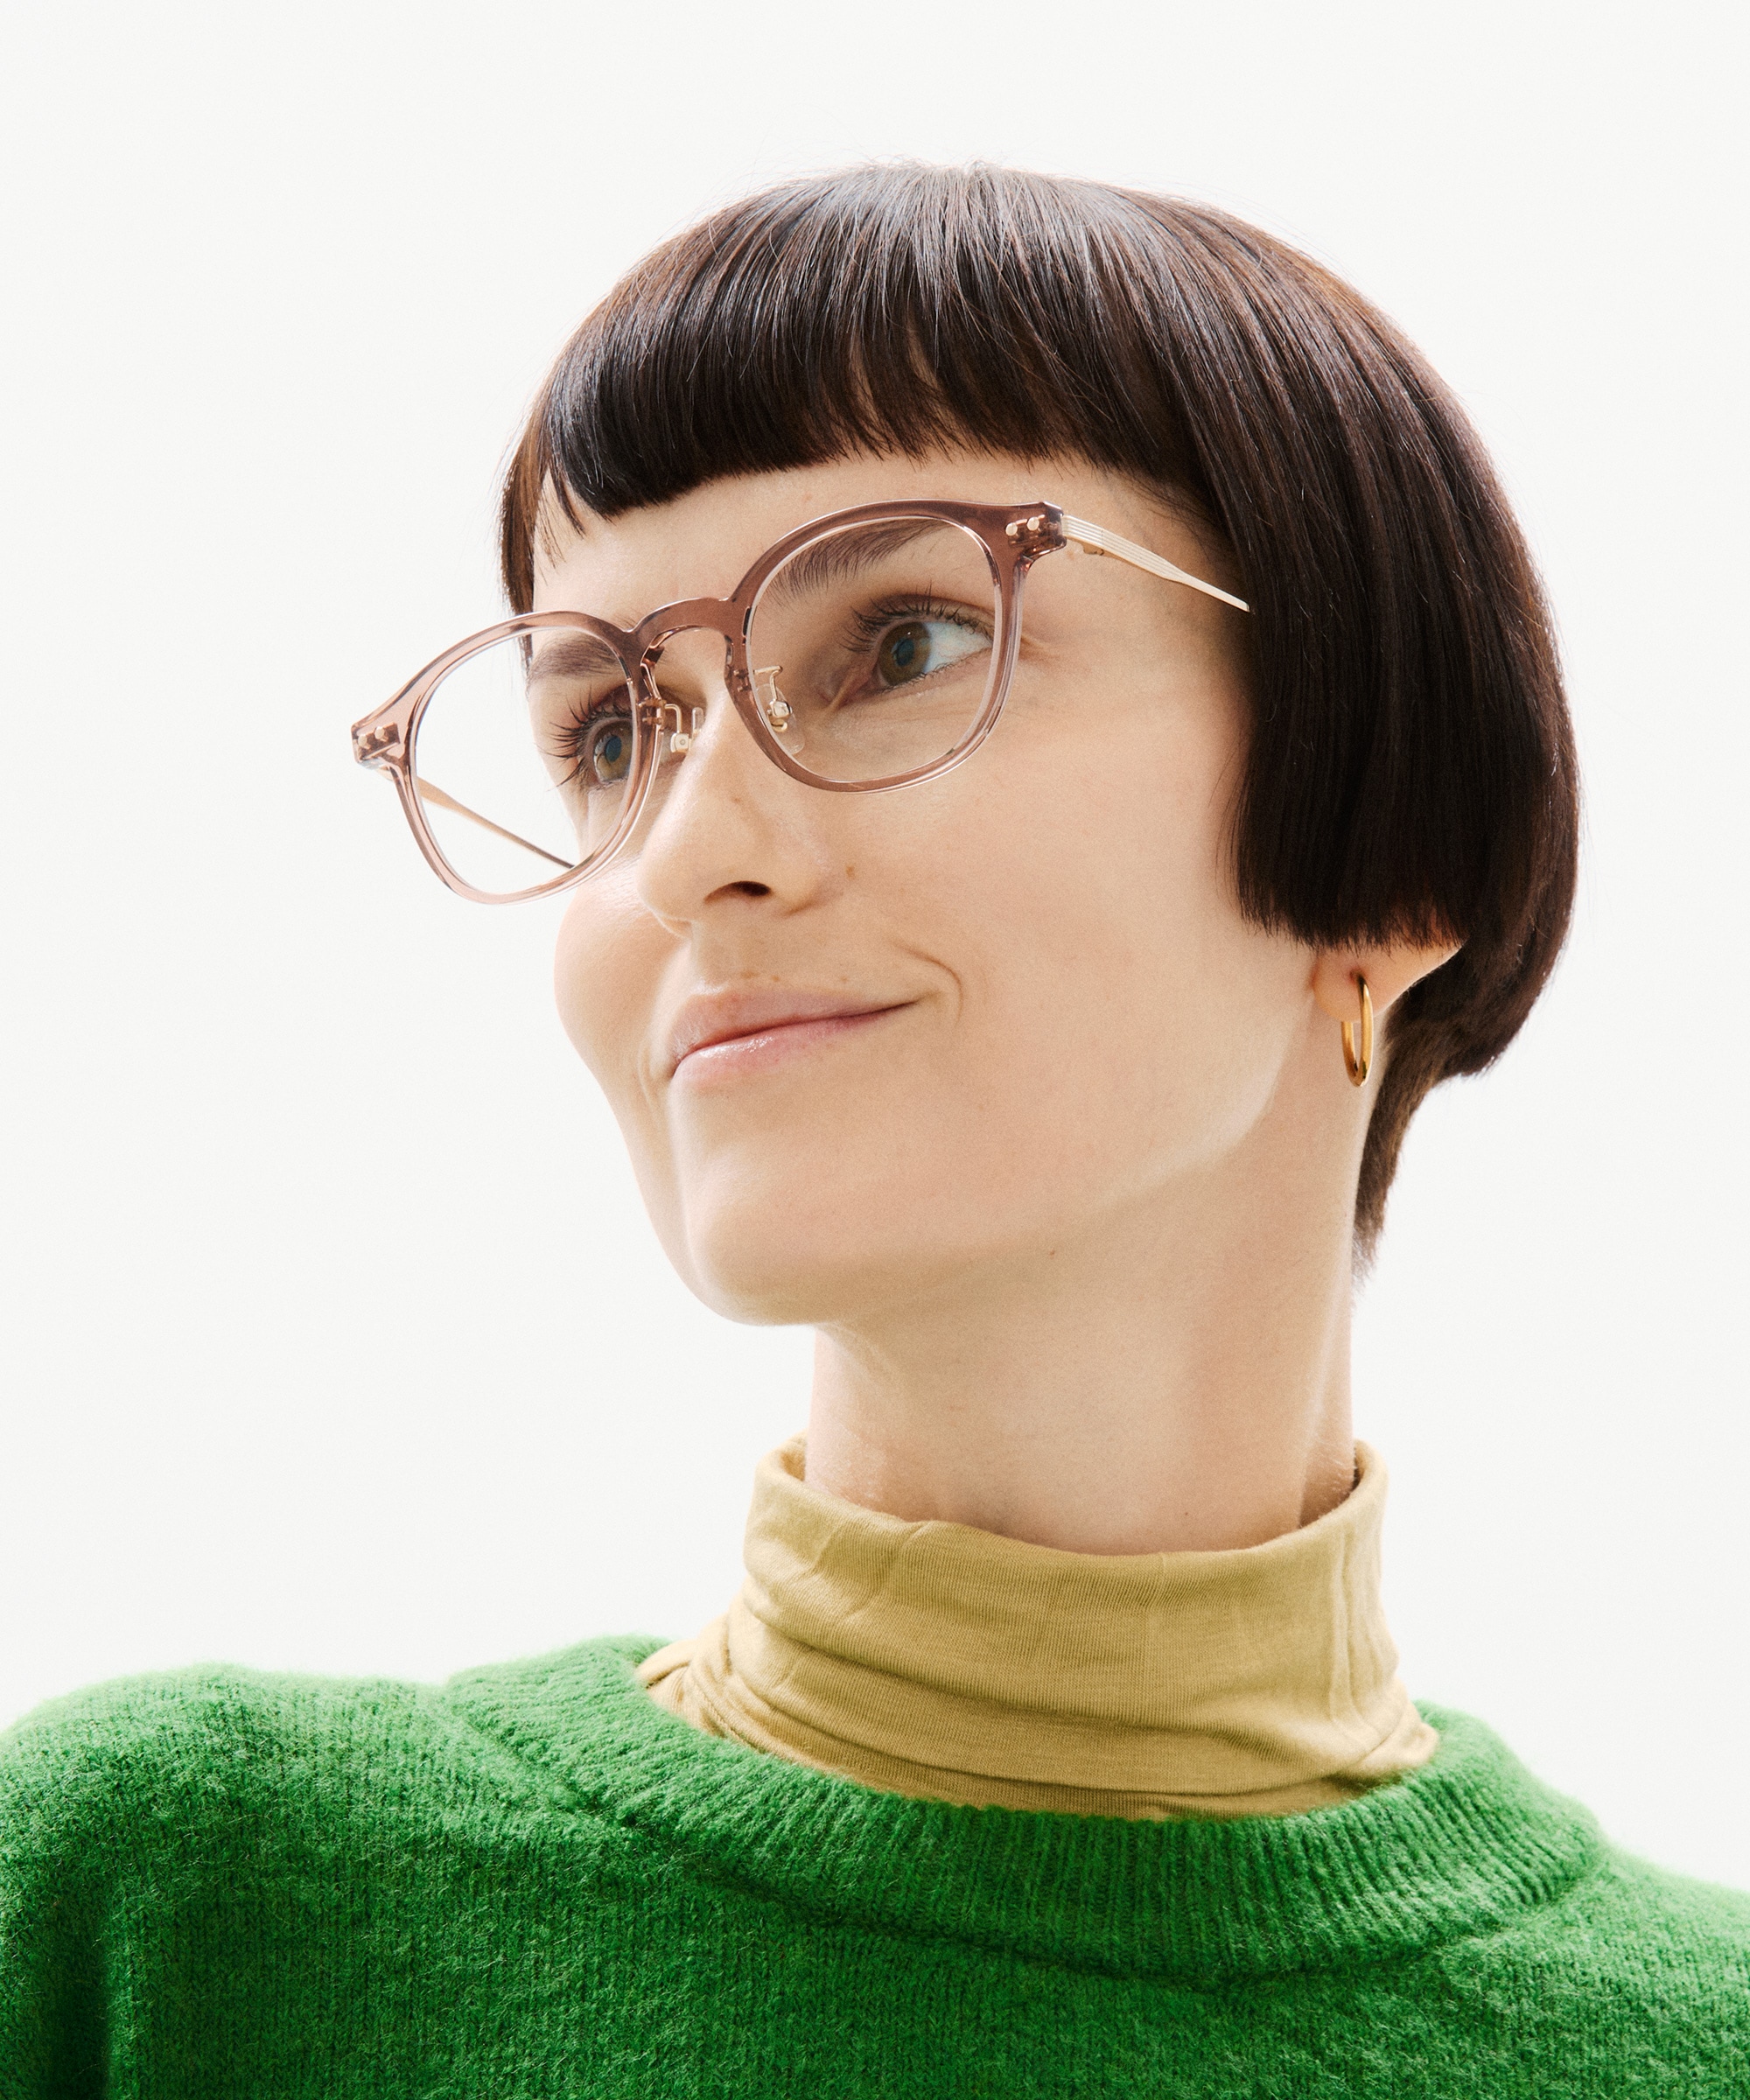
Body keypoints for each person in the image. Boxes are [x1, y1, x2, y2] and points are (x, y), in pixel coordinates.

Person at [3, 162, 1745, 2096]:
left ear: (1393, 844)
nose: (685, 853)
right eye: (609, 733)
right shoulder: (167, 1921)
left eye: (902, 643)